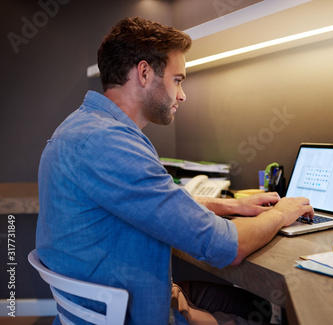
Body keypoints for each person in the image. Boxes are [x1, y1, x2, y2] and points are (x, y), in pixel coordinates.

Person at [36, 16, 313, 324]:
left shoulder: (80, 127)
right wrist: (282, 213)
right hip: (130, 313)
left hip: (106, 298)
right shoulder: (110, 142)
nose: (182, 95)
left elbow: (154, 202)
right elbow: (227, 247)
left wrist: (228, 205)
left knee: (253, 302)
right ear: (144, 73)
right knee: (274, 314)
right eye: (177, 80)